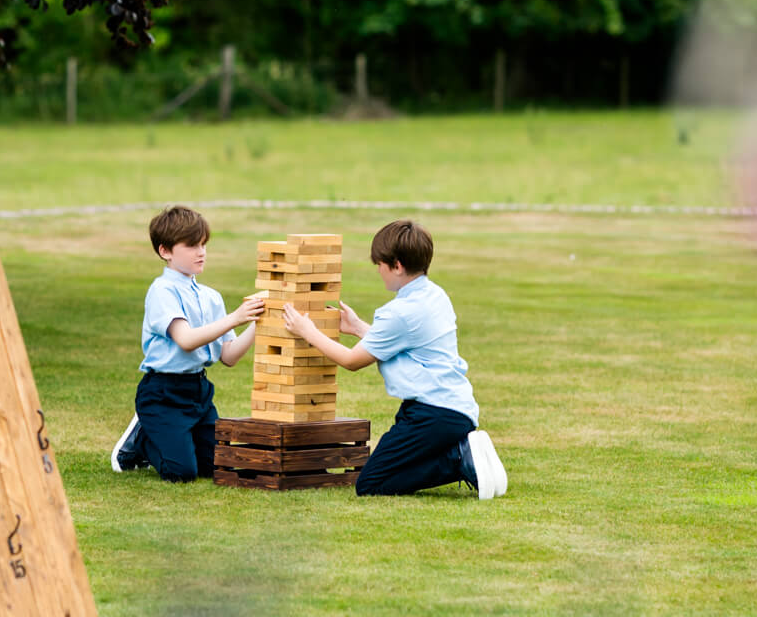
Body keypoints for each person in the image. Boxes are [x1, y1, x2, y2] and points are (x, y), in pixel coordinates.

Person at [281, 218, 507, 498]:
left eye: (380, 265)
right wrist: (357, 327)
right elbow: (404, 344)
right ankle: (460, 449)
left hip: (431, 414)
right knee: (391, 469)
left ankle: (458, 458)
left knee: (371, 483)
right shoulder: (435, 295)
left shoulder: (398, 312)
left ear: (397, 266)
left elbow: (352, 361)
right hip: (455, 410)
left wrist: (308, 331)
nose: (379, 271)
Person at [110, 205, 265, 481]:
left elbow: (228, 356)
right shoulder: (161, 291)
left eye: (203, 244)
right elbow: (186, 340)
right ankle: (143, 439)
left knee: (217, 468)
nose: (201, 252)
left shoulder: (211, 297)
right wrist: (235, 318)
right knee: (181, 473)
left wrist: (258, 321)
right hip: (163, 393)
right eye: (192, 245)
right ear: (165, 251)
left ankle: (173, 437)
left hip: (198, 392)